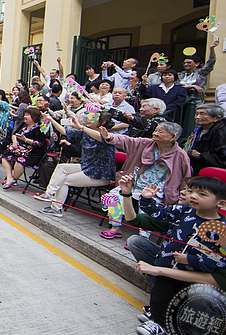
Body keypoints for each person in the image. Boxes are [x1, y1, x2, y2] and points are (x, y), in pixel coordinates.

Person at [121, 176, 226, 335]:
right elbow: (157, 213)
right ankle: (158, 321)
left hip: (195, 276)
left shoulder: (221, 230)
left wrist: (191, 259)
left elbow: (217, 261)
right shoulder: (182, 211)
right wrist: (146, 199)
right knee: (161, 292)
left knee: (188, 294)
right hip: (169, 266)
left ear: (221, 203)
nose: (192, 196)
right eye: (190, 191)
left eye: (201, 194)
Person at [89, 121, 190, 239]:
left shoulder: (181, 155)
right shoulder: (146, 143)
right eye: (156, 130)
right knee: (113, 196)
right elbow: (128, 140)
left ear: (172, 137)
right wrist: (110, 137)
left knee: (147, 205)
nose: (155, 133)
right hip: (135, 184)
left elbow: (185, 178)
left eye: (160, 132)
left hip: (158, 190)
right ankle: (115, 227)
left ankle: (143, 237)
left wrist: (183, 197)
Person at [35, 110, 115, 217]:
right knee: (62, 168)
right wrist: (50, 119)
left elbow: (102, 138)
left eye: (93, 117)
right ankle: (49, 193)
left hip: (100, 174)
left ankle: (56, 209)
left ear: (103, 122)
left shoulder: (108, 136)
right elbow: (64, 131)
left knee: (64, 181)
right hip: (87, 168)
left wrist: (82, 127)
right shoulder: (86, 132)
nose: (89, 119)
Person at [0, 107, 47, 190]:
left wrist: (26, 140)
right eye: (25, 115)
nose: (25, 117)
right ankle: (9, 177)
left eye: (27, 115)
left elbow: (40, 143)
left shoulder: (40, 129)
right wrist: (14, 141)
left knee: (20, 160)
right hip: (20, 148)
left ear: (34, 117)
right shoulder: (24, 125)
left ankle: (14, 178)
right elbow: (14, 134)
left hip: (34, 152)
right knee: (5, 155)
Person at [184, 103, 226, 173]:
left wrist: (201, 155)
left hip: (212, 173)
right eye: (196, 114)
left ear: (216, 118)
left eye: (202, 114)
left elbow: (222, 157)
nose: (197, 117)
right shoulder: (199, 130)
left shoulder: (222, 132)